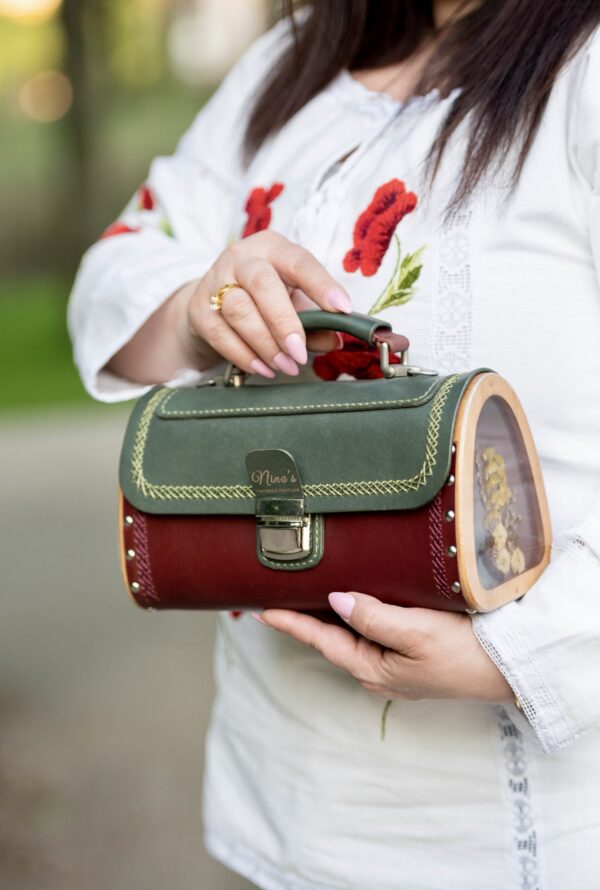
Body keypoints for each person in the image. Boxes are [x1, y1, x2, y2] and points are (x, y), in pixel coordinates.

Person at [68, 1, 600, 887]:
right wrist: (197, 310)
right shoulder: (296, 56)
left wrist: (524, 654)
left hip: (517, 838)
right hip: (275, 815)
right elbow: (114, 270)